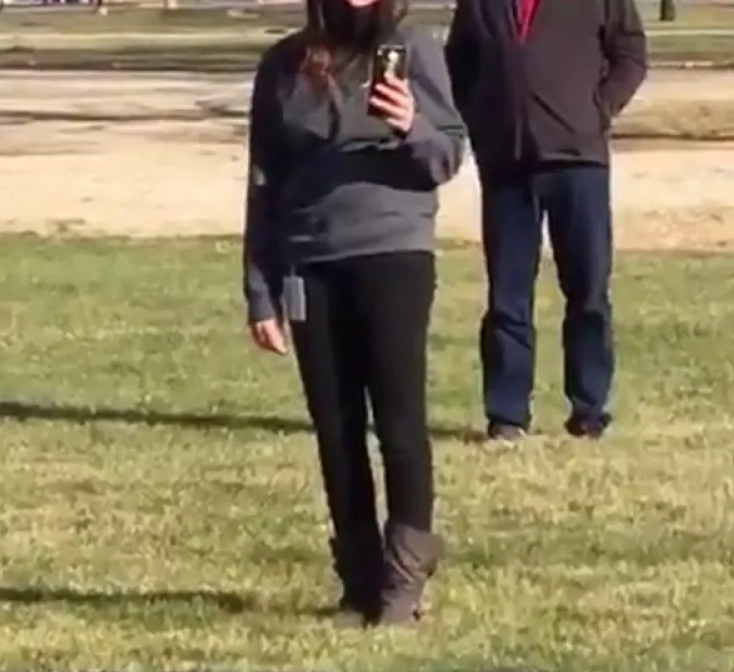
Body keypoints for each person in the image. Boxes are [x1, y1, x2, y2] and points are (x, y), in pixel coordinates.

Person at [241, 0, 466, 626]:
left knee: (398, 422)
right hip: (309, 265)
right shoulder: (283, 67)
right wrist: (261, 289)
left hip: (393, 254)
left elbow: (445, 158)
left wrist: (412, 124)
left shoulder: (412, 49)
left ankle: (403, 580)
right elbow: (264, 184)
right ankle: (359, 581)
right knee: (336, 431)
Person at [444, 0, 648, 443]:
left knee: (588, 290)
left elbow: (630, 52)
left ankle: (589, 409)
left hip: (579, 162)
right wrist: (482, 120)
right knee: (507, 297)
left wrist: (599, 108)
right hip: (506, 164)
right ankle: (507, 414)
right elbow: (458, 65)